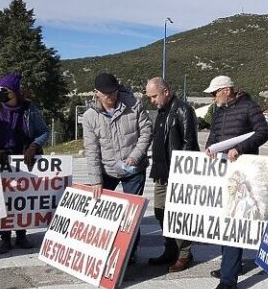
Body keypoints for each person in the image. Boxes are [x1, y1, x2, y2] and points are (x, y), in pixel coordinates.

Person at [204, 75, 268, 289]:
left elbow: (263, 132)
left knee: (234, 221)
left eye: (214, 93)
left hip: (242, 172)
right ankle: (230, 266)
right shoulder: (219, 111)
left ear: (226, 90)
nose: (213, 98)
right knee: (225, 219)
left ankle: (228, 281)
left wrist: (240, 148)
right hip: (222, 171)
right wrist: (209, 149)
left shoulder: (249, 107)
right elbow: (214, 135)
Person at [0, 72, 49, 254]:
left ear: (15, 91)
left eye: (5, 89)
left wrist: (33, 146)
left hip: (23, 157)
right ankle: (5, 237)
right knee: (3, 199)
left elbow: (43, 132)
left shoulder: (29, 109)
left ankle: (21, 234)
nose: (0, 92)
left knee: (21, 197)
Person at [82, 73, 152, 260]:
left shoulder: (134, 104)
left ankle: (130, 253)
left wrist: (135, 157)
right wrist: (96, 181)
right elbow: (91, 150)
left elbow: (146, 132)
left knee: (131, 214)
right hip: (107, 171)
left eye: (114, 92)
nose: (112, 97)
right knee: (102, 212)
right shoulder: (89, 117)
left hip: (133, 169)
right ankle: (103, 248)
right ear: (96, 93)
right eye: (106, 94)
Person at [144, 77, 199, 272]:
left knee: (178, 215)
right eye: (149, 97)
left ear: (166, 91)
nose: (152, 100)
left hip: (177, 174)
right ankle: (170, 249)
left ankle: (184, 254)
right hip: (160, 173)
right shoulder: (161, 111)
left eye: (154, 96)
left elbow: (188, 143)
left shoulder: (182, 110)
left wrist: (181, 173)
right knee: (160, 213)